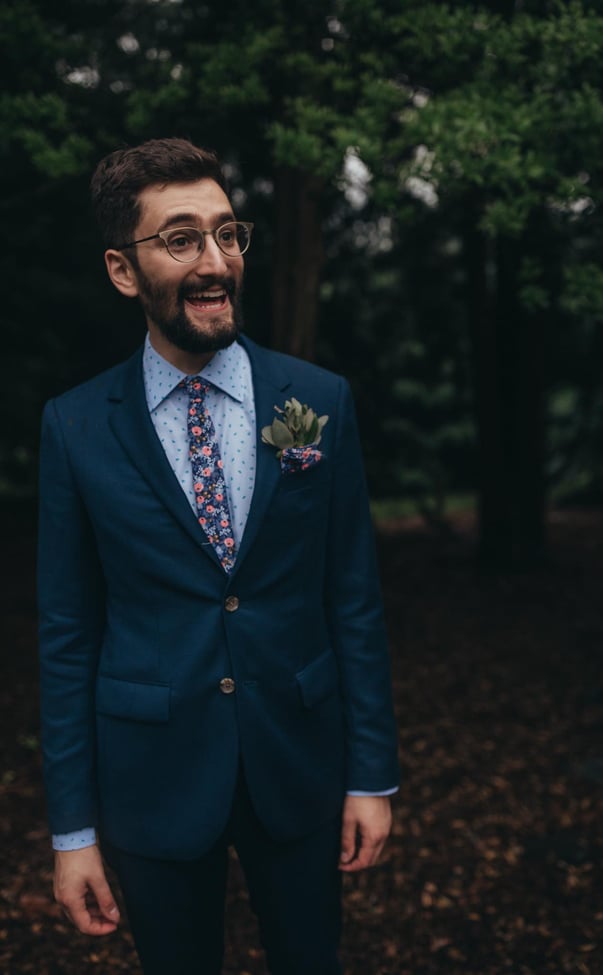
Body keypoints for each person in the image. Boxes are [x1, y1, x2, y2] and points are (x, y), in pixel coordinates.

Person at [38, 137, 399, 975]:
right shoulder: (76, 426)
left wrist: (372, 776)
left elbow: (353, 597)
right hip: (152, 776)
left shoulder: (319, 402)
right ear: (124, 272)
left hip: (299, 762)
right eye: (181, 238)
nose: (215, 260)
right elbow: (66, 633)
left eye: (227, 233)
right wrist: (73, 832)